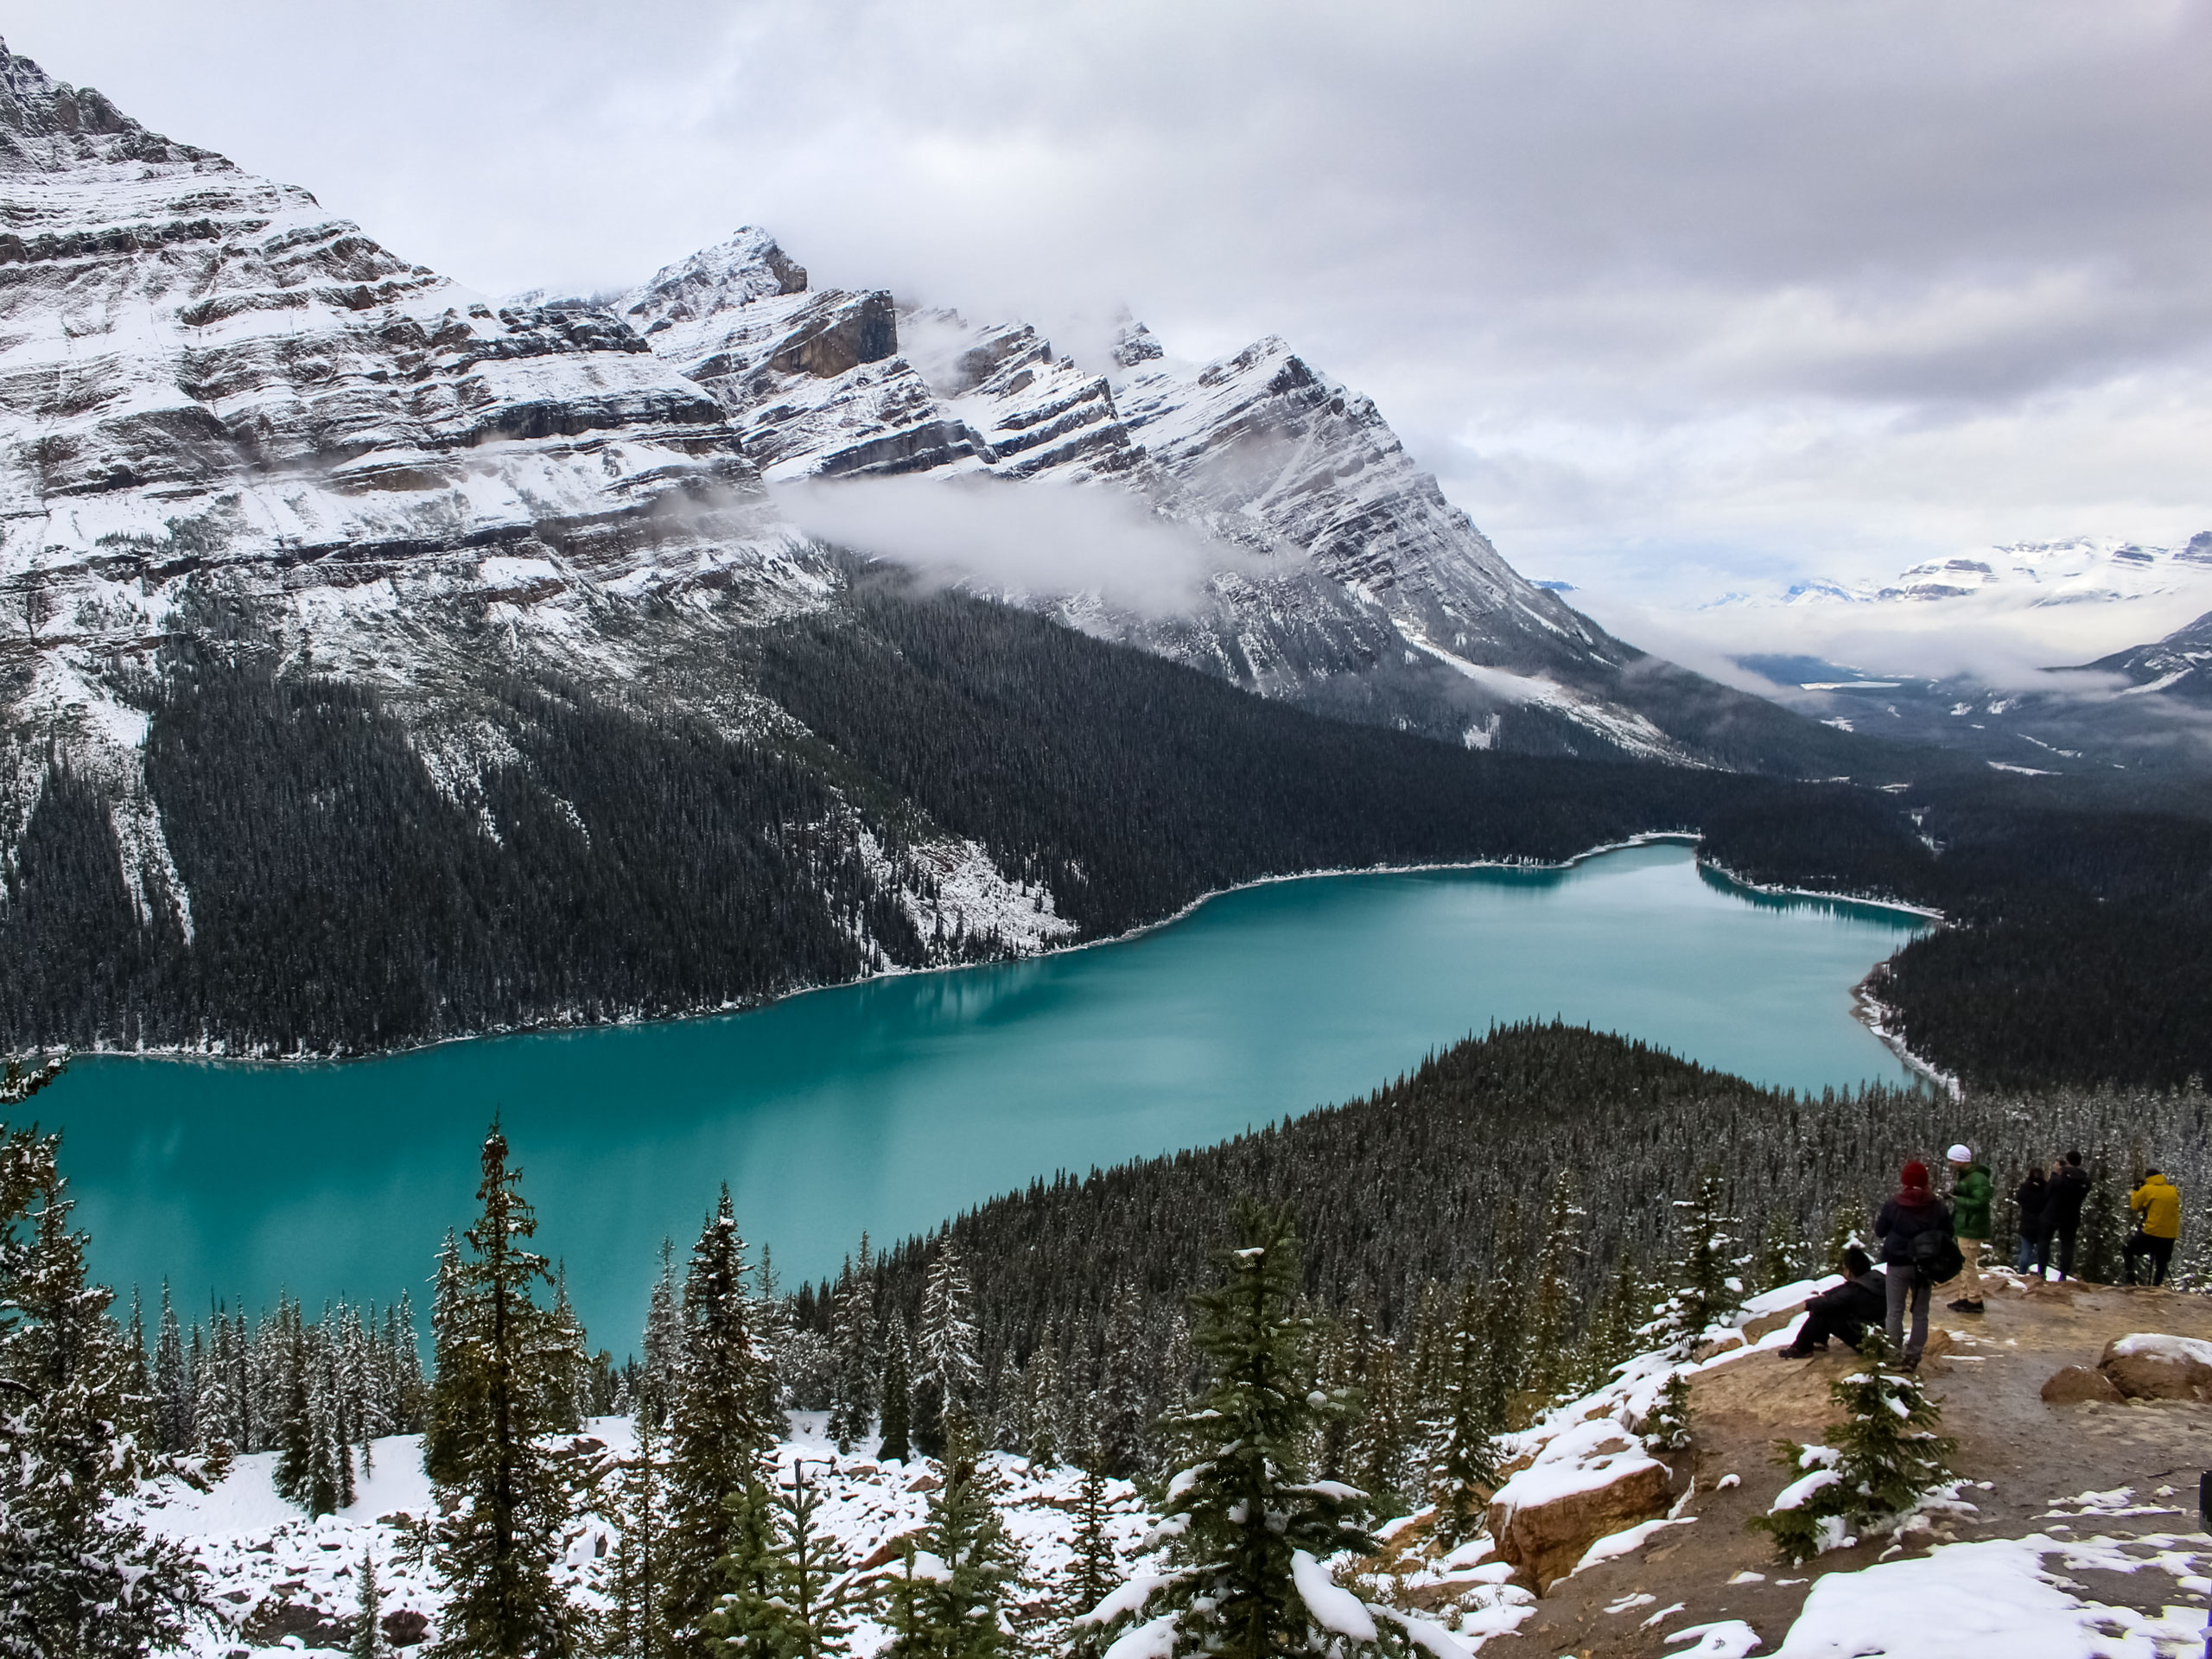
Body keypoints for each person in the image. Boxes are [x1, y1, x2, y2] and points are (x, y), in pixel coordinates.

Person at [1876, 1160, 1955, 1369]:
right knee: (1920, 1312)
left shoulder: (1894, 1204)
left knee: (1894, 1310)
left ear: (1905, 1181)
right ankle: (1913, 1356)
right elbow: (1948, 1233)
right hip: (1925, 1265)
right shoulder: (1937, 1206)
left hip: (1897, 1261)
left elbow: (1880, 1231)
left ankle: (1893, 1353)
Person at [1777, 1245, 1887, 1358]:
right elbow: (1843, 1290)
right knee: (1827, 1308)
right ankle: (1818, 1341)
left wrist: (1809, 1304)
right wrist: (1826, 1295)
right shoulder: (1876, 1279)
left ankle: (1801, 1348)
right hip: (1880, 1334)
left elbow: (1830, 1302)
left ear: (1849, 1271)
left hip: (1865, 1341)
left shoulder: (1855, 1291)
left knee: (1822, 1313)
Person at [1946, 1142, 1992, 1313]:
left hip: (1971, 1227)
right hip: (1965, 1225)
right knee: (1963, 1265)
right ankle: (1964, 1297)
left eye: (1953, 1161)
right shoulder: (1968, 1177)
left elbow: (1980, 1202)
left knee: (1968, 1265)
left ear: (1961, 1161)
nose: (1951, 1165)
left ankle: (1974, 1299)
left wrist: (1957, 1199)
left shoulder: (1977, 1179)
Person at [2037, 1151, 2092, 1281]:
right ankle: (2063, 1275)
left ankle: (2041, 1272)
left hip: (2052, 1213)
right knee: (2067, 1245)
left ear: (2067, 1161)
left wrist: (2055, 1173)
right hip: (2072, 1215)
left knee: (2044, 1241)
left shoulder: (2059, 1178)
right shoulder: (2085, 1181)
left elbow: (2047, 1193)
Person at [2124, 1167, 2181, 1287]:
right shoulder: (2172, 1190)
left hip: (2153, 1232)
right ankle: (2157, 1285)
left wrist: (2136, 1191)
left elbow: (2136, 1206)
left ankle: (2130, 1279)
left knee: (2127, 1248)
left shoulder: (2147, 1189)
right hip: (2170, 1234)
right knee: (2161, 1261)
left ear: (2148, 1178)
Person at [2014, 1164, 2050, 1272]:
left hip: (2027, 1222)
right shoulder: (2046, 1188)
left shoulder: (2025, 1187)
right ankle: (2041, 1273)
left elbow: (2019, 1198)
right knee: (2042, 1251)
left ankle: (2022, 1273)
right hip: (2043, 1223)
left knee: (2025, 1252)